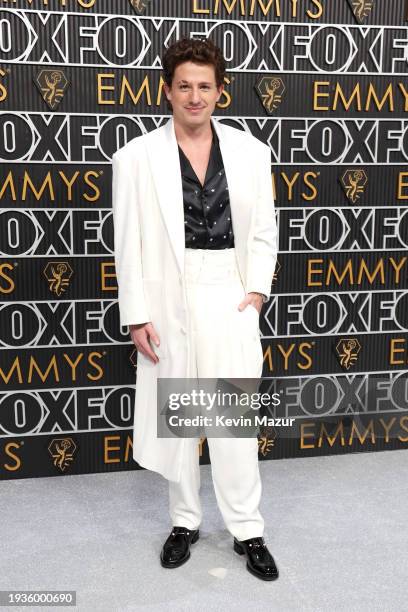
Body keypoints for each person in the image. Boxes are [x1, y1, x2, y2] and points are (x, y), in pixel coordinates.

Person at [111, 37, 278, 581]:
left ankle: (247, 530)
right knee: (181, 421)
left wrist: (255, 291)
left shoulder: (252, 152)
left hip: (228, 291)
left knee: (231, 421)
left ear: (220, 92)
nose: (194, 95)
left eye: (204, 85)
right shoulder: (135, 157)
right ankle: (184, 522)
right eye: (184, 85)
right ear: (167, 90)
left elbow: (262, 231)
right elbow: (128, 241)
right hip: (169, 297)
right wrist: (136, 313)